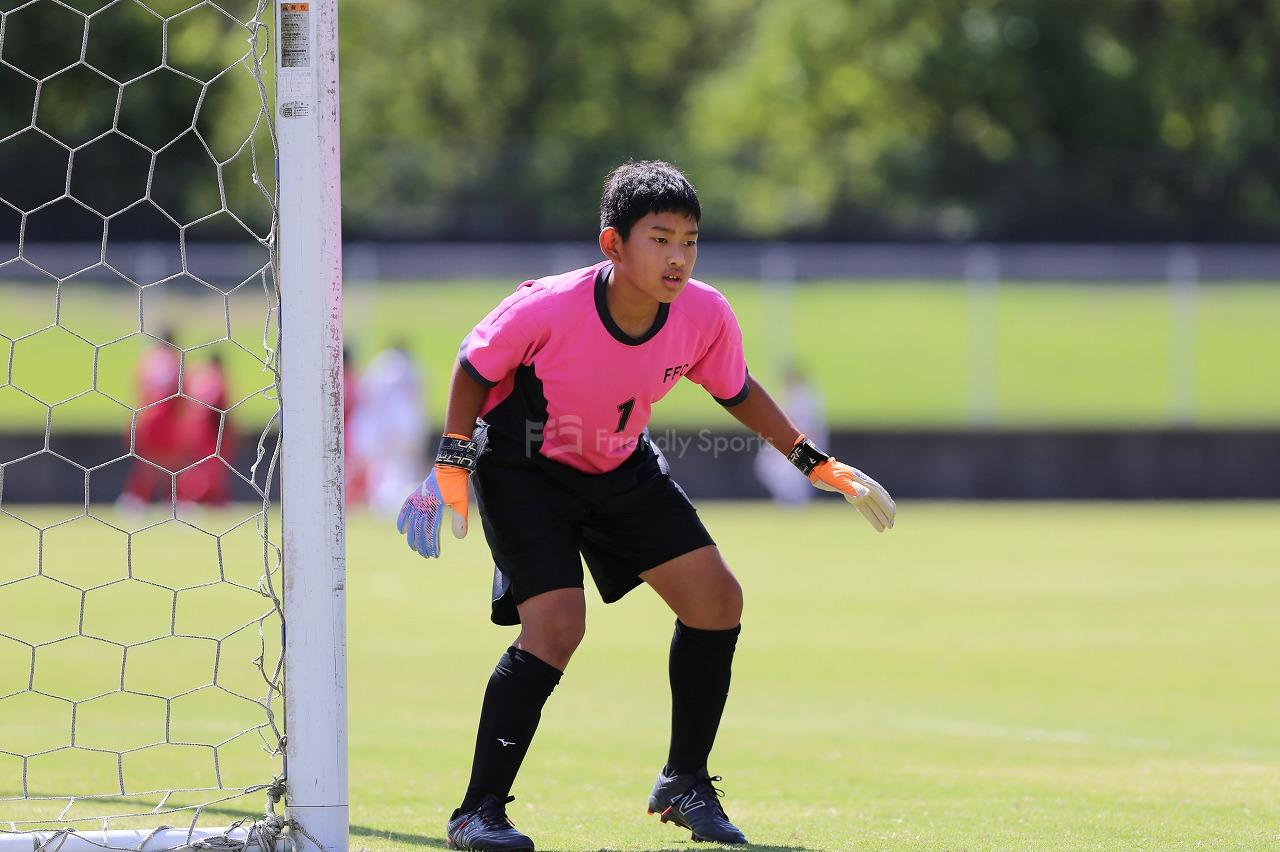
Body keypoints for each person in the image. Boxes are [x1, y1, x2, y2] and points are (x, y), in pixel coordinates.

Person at [396, 161, 895, 852]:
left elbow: (736, 389)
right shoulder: (547, 306)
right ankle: (477, 813)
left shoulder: (704, 313)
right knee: (557, 627)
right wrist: (452, 456)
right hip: (524, 470)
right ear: (613, 245)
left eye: (689, 240)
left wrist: (812, 460)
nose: (678, 257)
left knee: (718, 602)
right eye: (660, 239)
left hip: (621, 464)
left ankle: (685, 783)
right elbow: (474, 365)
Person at [348, 343, 428, 515]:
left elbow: (368, 396)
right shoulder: (413, 368)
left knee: (385, 468)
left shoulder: (381, 365)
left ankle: (386, 505)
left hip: (386, 425)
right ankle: (401, 503)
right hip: (408, 425)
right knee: (402, 467)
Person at [118, 329, 185, 510]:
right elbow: (180, 392)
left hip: (145, 417)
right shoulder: (174, 360)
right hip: (164, 418)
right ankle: (174, 502)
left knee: (150, 462)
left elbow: (137, 386)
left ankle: (135, 500)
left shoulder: (149, 358)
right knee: (171, 461)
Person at [753, 362, 828, 505]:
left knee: (797, 472)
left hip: (802, 440)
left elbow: (812, 422)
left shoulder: (808, 396)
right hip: (789, 438)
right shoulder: (790, 393)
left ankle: (797, 502)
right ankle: (789, 499)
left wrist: (808, 444)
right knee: (767, 466)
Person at [176, 352, 234, 506]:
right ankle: (188, 498)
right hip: (209, 431)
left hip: (198, 429)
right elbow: (209, 407)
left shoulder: (200, 376)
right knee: (208, 468)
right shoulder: (215, 379)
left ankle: (215, 500)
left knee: (205, 467)